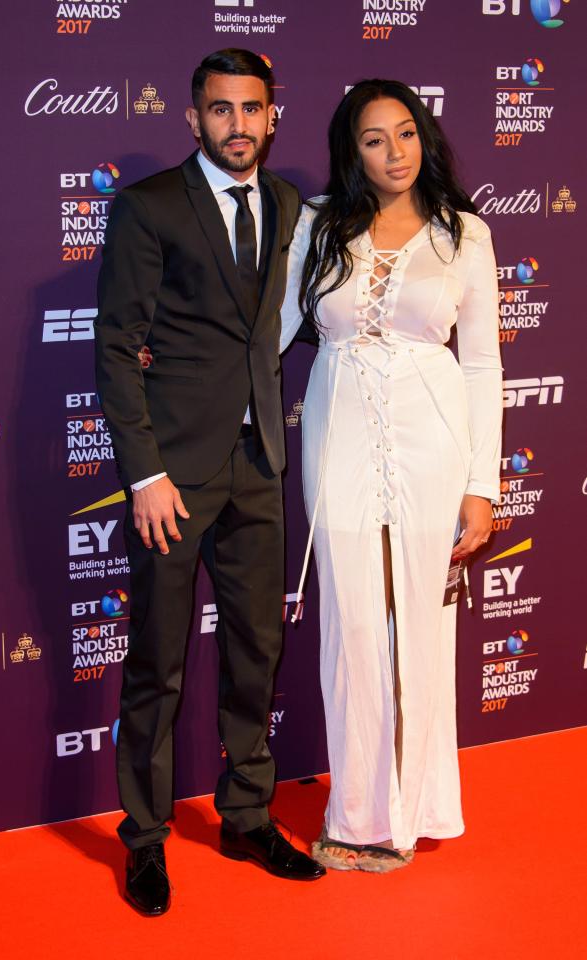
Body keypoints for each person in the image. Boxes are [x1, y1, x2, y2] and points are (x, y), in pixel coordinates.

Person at [95, 48, 325, 916]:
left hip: (259, 462)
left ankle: (246, 814)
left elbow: (288, 321)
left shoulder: (290, 205)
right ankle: (145, 839)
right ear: (193, 119)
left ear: (274, 116)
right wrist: (144, 472)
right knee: (157, 660)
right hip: (173, 475)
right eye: (220, 110)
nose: (238, 125)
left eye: (252, 109)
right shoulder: (149, 206)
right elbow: (116, 343)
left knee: (255, 650)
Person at [280, 80, 502, 872]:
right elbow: (266, 331)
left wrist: (481, 484)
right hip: (339, 436)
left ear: (424, 137)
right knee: (349, 624)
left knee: (420, 624)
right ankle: (358, 811)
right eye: (374, 139)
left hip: (432, 443)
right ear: (353, 151)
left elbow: (479, 364)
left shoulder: (463, 234)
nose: (394, 152)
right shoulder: (314, 223)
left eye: (405, 134)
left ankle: (416, 806)